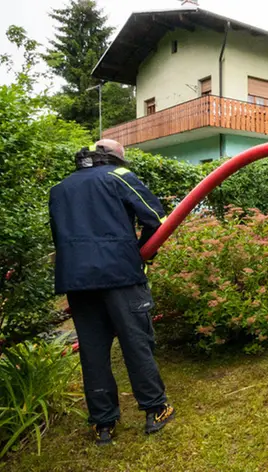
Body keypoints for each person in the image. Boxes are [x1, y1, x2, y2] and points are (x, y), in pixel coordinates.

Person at [48, 139, 174, 446]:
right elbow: (157, 220)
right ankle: (155, 409)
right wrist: (143, 253)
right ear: (116, 158)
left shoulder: (60, 188)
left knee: (92, 352)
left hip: (77, 281)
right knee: (136, 344)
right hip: (120, 275)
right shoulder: (118, 177)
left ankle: (103, 425)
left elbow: (58, 236)